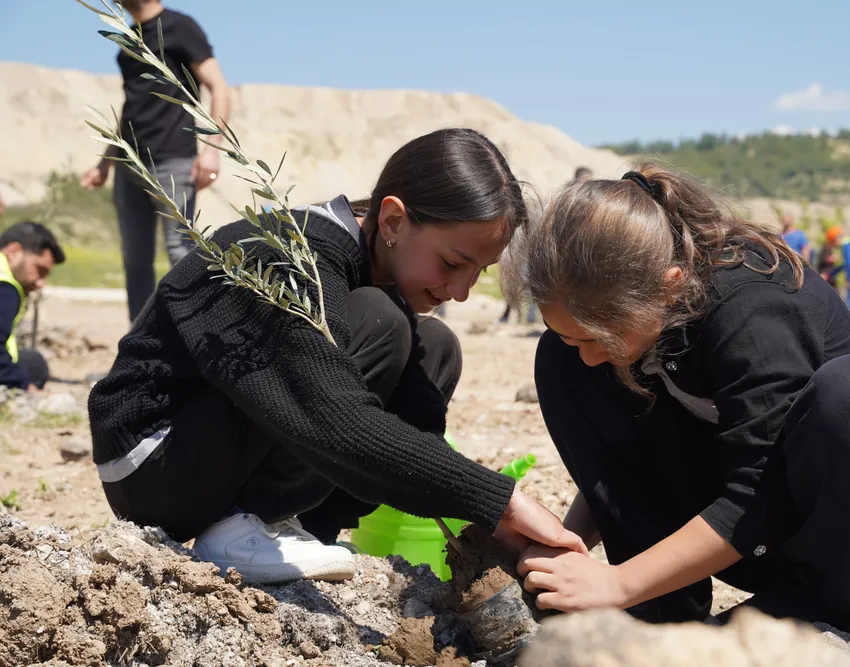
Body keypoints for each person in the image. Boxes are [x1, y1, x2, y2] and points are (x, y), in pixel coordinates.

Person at [88, 129, 585, 585]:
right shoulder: (290, 255)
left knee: (434, 346)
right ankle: (240, 530)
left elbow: (412, 436)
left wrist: (478, 523)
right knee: (384, 322)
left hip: (206, 455)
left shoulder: (368, 273)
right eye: (452, 263)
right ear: (392, 221)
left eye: (479, 272)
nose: (460, 292)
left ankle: (301, 530)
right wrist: (501, 501)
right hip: (153, 463)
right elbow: (335, 417)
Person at [505, 164, 850, 637]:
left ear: (669, 283)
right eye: (576, 337)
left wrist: (616, 584)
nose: (589, 358)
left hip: (845, 527)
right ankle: (663, 613)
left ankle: (819, 606)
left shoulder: (753, 302)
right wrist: (570, 546)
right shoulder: (611, 332)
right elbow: (617, 461)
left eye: (597, 337)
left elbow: (759, 489)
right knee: (558, 360)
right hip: (737, 537)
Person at [80, 0, 231, 322]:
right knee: (135, 260)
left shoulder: (179, 26)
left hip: (172, 158)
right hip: (128, 164)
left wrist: (212, 148)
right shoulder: (128, 37)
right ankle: (140, 349)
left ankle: (191, 347)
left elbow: (218, 87)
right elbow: (132, 105)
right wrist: (106, 163)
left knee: (181, 253)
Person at [0, 221, 65, 391]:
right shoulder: (5, 287)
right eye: (39, 269)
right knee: (35, 368)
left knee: (32, 361)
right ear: (14, 251)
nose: (41, 282)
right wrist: (25, 387)